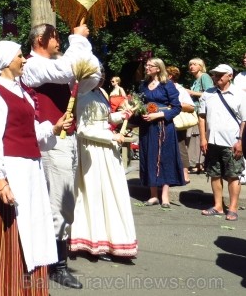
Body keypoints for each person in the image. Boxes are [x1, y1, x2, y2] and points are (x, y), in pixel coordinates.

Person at [0, 41, 64, 296]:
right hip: (11, 170)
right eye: (19, 56)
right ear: (5, 62)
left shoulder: (22, 93)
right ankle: (4, 288)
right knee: (14, 231)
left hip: (30, 170)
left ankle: (29, 289)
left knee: (34, 225)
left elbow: (26, 131)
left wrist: (52, 127)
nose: (24, 60)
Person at [20, 22, 99, 289]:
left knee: (64, 200)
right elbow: (67, 68)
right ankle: (56, 265)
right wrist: (77, 39)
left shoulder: (54, 65)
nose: (60, 42)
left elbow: (91, 76)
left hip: (66, 138)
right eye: (55, 38)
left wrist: (84, 53)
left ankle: (53, 259)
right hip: (50, 140)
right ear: (41, 39)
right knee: (59, 201)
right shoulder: (32, 65)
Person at [69, 70, 137, 261]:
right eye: (98, 75)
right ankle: (94, 242)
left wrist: (121, 115)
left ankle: (110, 239)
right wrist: (111, 136)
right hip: (93, 150)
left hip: (107, 150)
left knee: (111, 193)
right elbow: (83, 128)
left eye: (103, 75)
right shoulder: (82, 94)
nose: (103, 78)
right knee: (94, 193)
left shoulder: (100, 93)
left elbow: (104, 119)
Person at [198, 64, 245, 221]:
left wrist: (240, 141)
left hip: (232, 141)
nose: (217, 77)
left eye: (220, 75)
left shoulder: (240, 94)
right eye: (215, 75)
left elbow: (245, 120)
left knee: (233, 175)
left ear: (230, 76)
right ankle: (218, 206)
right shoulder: (208, 94)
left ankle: (232, 208)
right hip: (212, 141)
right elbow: (202, 116)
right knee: (214, 174)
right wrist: (203, 138)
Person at [138, 58, 184, 207]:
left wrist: (158, 115)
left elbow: (177, 107)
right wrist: (140, 112)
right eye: (146, 65)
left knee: (165, 158)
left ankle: (165, 196)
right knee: (149, 157)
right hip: (147, 127)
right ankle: (153, 195)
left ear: (158, 68)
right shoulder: (143, 85)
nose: (147, 67)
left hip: (164, 126)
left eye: (150, 65)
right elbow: (139, 104)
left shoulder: (167, 85)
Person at [167, 66, 197, 184]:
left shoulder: (180, 89)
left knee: (180, 147)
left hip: (177, 122)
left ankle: (185, 174)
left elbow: (190, 106)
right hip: (164, 121)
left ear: (170, 76)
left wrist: (175, 104)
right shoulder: (160, 87)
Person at [186, 58, 214, 175]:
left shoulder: (204, 77)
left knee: (198, 136)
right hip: (195, 111)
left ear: (201, 66)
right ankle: (197, 163)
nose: (191, 66)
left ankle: (200, 164)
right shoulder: (195, 80)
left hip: (201, 112)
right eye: (190, 64)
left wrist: (191, 93)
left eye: (194, 64)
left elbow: (210, 93)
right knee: (194, 137)